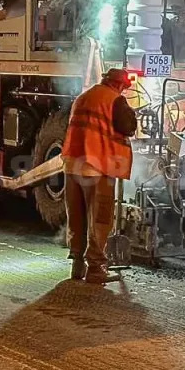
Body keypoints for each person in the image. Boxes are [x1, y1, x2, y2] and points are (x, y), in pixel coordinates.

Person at [61, 68, 138, 282]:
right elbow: (128, 127)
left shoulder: (83, 97)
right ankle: (95, 268)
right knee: (100, 217)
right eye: (123, 87)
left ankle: (77, 265)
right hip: (97, 165)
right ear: (119, 85)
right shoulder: (115, 100)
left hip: (72, 165)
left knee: (76, 216)